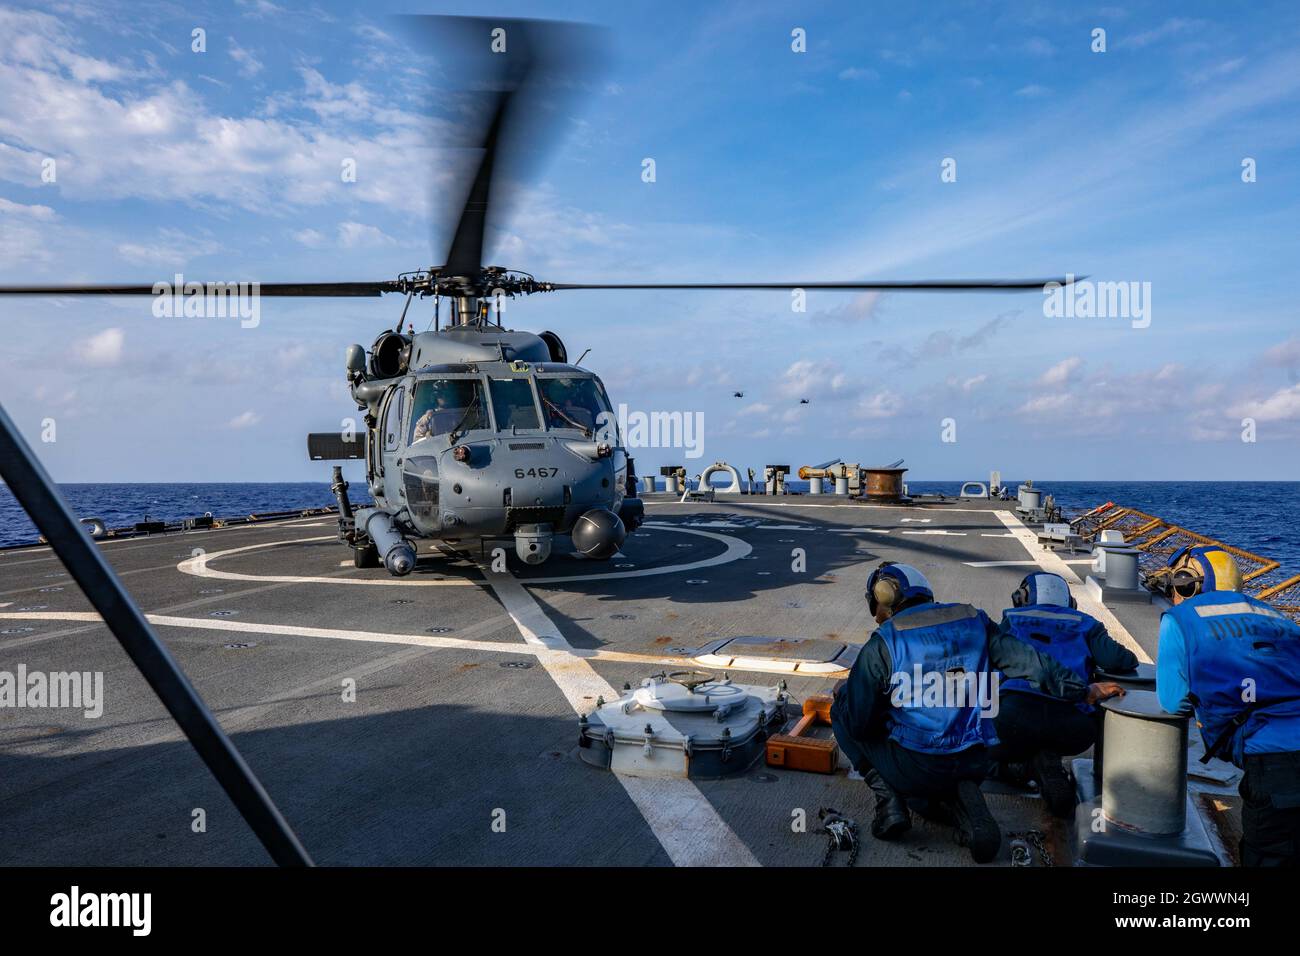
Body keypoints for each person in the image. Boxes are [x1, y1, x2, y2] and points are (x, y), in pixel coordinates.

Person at [831, 561, 1123, 862]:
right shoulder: (974, 620)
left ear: (885, 597)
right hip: (977, 759)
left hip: (918, 766)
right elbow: (1031, 663)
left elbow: (861, 725)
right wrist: (1084, 690)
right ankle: (962, 804)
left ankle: (888, 801)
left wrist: (855, 697)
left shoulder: (882, 644)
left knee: (843, 711)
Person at [1155, 545, 1300, 866]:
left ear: (1188, 583)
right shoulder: (1276, 616)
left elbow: (1173, 701)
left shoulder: (1180, 619)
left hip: (1274, 765)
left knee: (1269, 855)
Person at [989, 572, 1138, 817]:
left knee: (975, 756)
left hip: (1012, 719)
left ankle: (1021, 769)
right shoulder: (1086, 623)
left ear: (1021, 597)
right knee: (1051, 734)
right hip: (1074, 727)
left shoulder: (1012, 618)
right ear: (1069, 601)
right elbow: (1119, 660)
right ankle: (1046, 760)